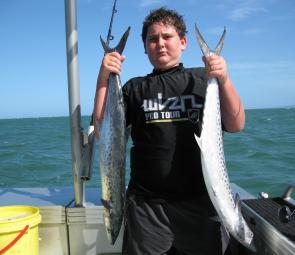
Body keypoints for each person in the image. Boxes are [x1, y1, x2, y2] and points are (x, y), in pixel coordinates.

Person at [94, 7, 245, 255]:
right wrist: (104, 78)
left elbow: (236, 124)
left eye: (167, 37)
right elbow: (102, 130)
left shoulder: (201, 80)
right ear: (144, 47)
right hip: (147, 207)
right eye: (153, 39)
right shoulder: (134, 89)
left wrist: (224, 80)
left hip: (200, 203)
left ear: (183, 42)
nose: (160, 44)